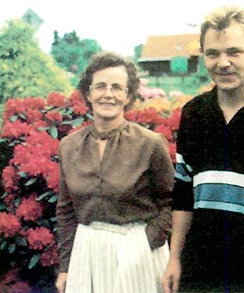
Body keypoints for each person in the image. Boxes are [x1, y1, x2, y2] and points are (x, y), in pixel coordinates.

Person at [162, 5, 244, 293]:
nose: (222, 62)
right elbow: (184, 195)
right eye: (212, 53)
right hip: (200, 276)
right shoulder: (194, 114)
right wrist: (174, 259)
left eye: (234, 52)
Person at [55, 51, 174, 293]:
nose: (108, 94)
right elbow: (66, 211)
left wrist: (146, 240)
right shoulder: (69, 146)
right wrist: (66, 267)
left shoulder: (149, 143)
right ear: (88, 93)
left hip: (139, 253)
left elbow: (173, 202)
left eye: (117, 87)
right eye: (100, 86)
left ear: (128, 95)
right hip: (87, 253)